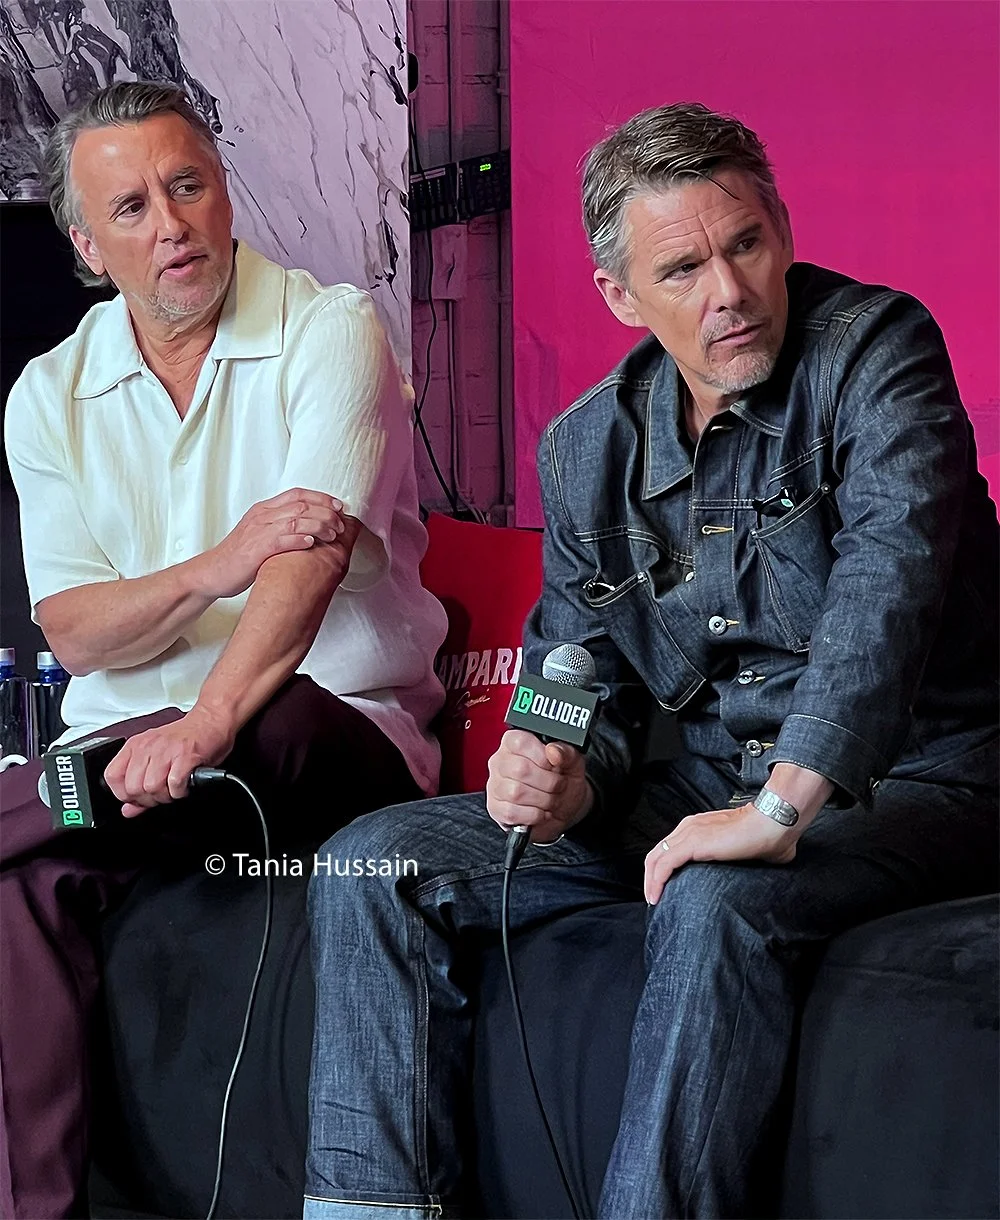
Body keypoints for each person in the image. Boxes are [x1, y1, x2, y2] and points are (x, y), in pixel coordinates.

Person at [303, 102, 999, 1219]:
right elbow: (568, 666)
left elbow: (891, 576)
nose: (727, 289)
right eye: (682, 268)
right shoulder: (586, 445)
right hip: (714, 778)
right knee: (368, 862)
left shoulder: (877, 349)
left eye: (746, 244)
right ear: (619, 296)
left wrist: (779, 804)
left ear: (781, 226)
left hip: (925, 773)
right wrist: (553, 761)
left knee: (716, 895)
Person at [0, 81, 447, 1219]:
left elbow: (303, 570)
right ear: (88, 245)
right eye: (133, 206)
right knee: (22, 882)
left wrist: (205, 717)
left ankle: (36, 795)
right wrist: (213, 562)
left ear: (225, 192)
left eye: (188, 185)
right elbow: (71, 624)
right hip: (131, 767)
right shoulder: (47, 394)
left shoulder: (328, 328)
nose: (172, 224)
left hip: (325, 740)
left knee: (274, 711)